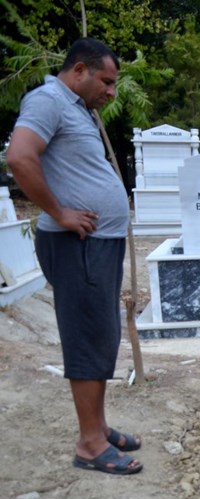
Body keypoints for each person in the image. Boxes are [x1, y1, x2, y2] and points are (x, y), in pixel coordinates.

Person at [7, 38, 142, 475]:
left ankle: (99, 429)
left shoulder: (78, 109)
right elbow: (20, 157)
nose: (112, 92)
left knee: (99, 334)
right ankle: (89, 444)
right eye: (107, 81)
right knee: (86, 337)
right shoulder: (48, 101)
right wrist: (59, 212)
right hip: (77, 245)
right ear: (79, 70)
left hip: (96, 243)